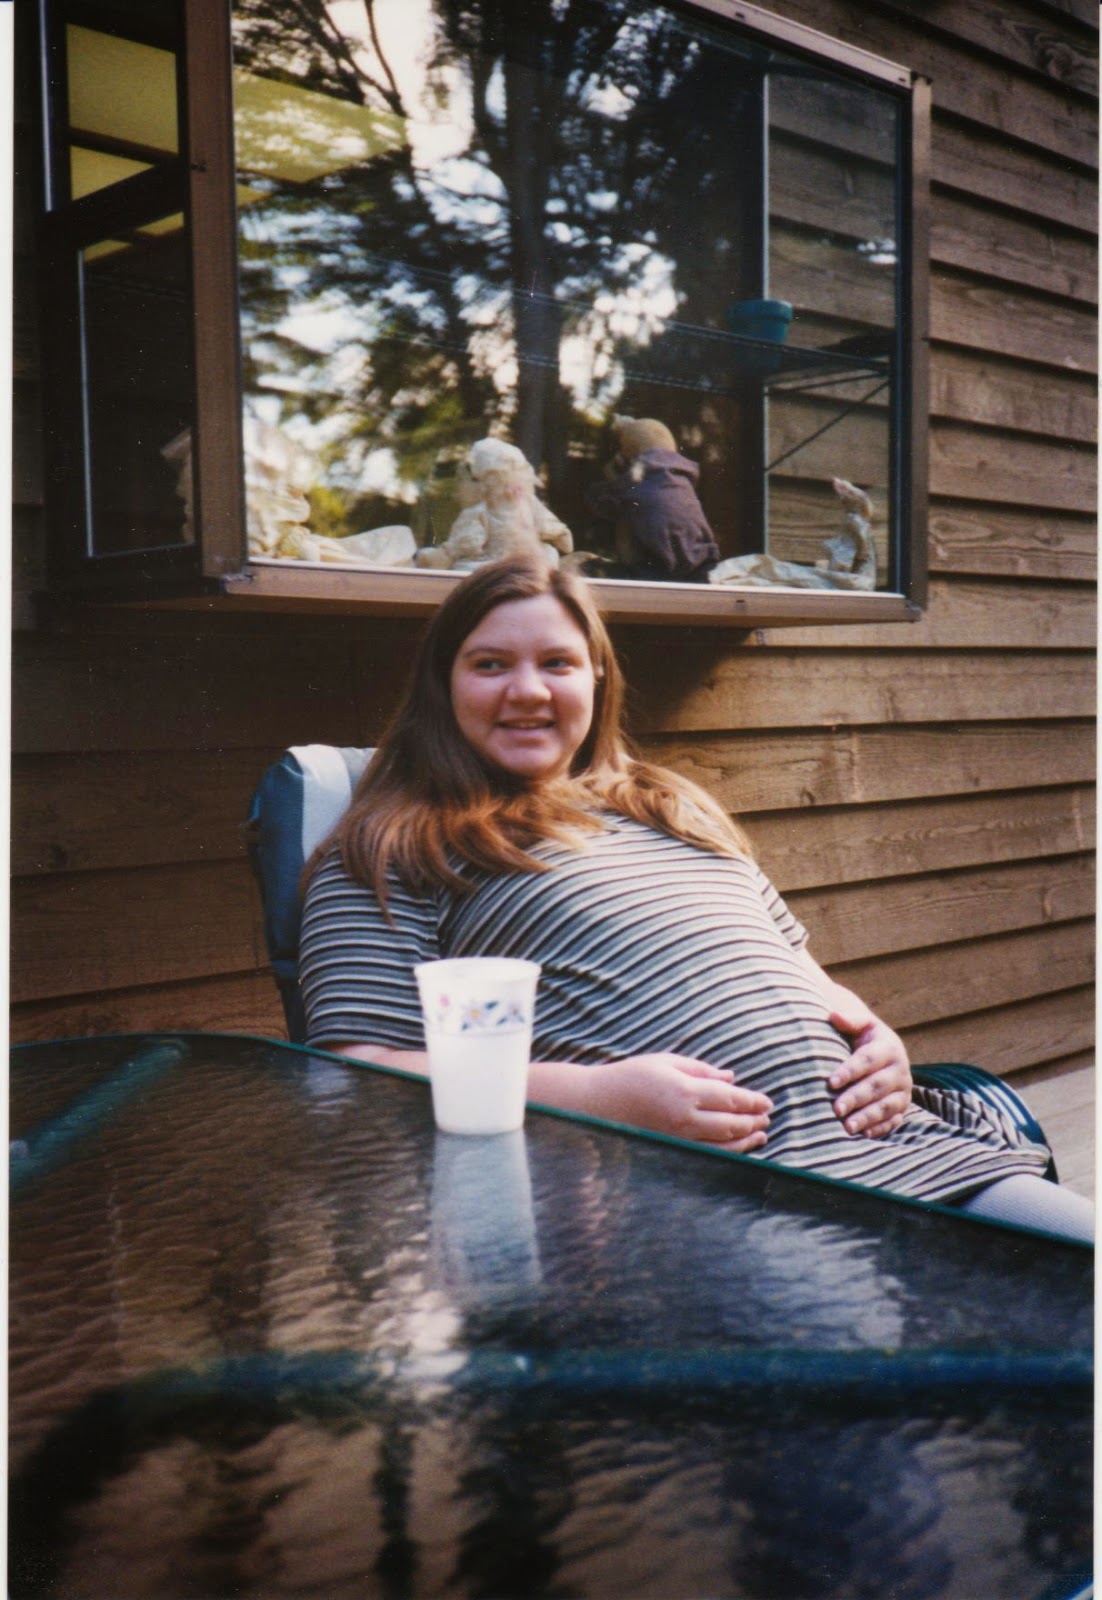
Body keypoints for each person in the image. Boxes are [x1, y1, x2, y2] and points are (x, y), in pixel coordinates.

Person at [300, 556, 1092, 1243]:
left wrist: (878, 1040)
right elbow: (358, 1073)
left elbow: (797, 968)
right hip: (715, 1198)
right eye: (490, 664)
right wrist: (600, 1099)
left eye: (558, 662)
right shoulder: (396, 848)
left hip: (911, 1154)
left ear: (596, 676)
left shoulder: (665, 804)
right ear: (442, 683)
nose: (528, 690)